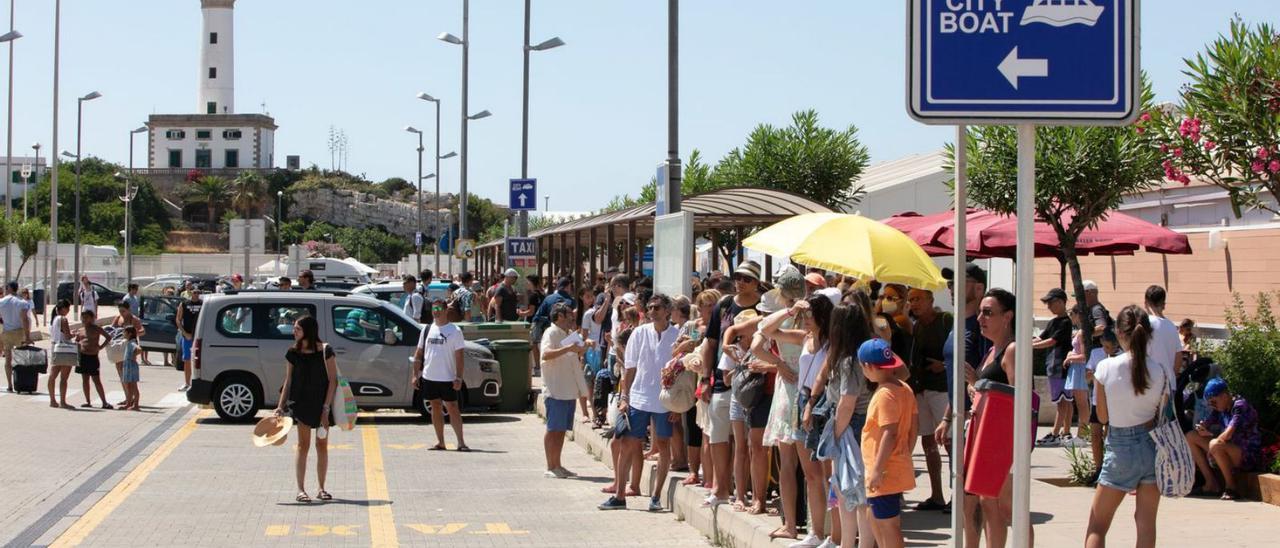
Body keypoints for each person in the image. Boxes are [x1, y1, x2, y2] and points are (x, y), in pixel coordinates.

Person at [1085, 305, 1167, 548]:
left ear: (1119, 333)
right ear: (1148, 334)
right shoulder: (1159, 370)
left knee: (1097, 525)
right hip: (1151, 446)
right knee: (1146, 524)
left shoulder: (1105, 367)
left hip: (1120, 446)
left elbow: (1101, 417)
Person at [599, 294, 679, 512]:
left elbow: (682, 372)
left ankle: (656, 496)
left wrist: (678, 406)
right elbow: (630, 368)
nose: (652, 311)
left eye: (657, 307)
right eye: (650, 307)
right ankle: (619, 495)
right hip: (639, 397)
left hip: (665, 400)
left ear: (667, 310)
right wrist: (625, 397)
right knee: (628, 444)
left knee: (663, 446)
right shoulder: (639, 333)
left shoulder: (677, 335)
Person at [970, 288, 1034, 548]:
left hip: (1006, 435)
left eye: (988, 313)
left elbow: (1019, 396)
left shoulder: (1012, 349)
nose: (980, 318)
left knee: (1008, 505)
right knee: (988, 501)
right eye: (980, 313)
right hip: (987, 433)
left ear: (1007, 317)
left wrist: (975, 382)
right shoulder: (992, 350)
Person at [698, 261, 762, 510]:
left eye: (746, 278)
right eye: (737, 276)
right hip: (722, 382)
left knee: (745, 442)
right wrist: (705, 379)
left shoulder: (763, 305)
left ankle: (742, 492)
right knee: (717, 436)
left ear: (756, 282)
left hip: (753, 383)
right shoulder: (724, 305)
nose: (740, 282)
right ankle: (720, 488)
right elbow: (710, 344)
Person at [823, 303, 876, 548]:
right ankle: (851, 543)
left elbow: (847, 401)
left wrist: (833, 435)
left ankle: (854, 544)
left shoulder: (848, 360)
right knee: (851, 491)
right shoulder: (861, 355)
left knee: (851, 491)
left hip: (851, 426)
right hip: (858, 424)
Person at [273, 315, 338, 503]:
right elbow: (289, 380)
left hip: (322, 403)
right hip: (300, 403)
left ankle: (321, 488)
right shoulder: (293, 352)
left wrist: (326, 409)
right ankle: (301, 490)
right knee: (303, 446)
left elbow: (333, 380)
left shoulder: (326, 350)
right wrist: (280, 406)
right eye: (294, 328)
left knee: (322, 445)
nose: (294, 331)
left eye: (297, 329)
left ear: (308, 331)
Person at [859, 338, 917, 548]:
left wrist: (877, 470)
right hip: (893, 465)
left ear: (869, 367)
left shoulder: (884, 394)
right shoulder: (904, 388)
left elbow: (889, 434)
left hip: (884, 471)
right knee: (877, 518)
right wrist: (905, 453)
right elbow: (914, 427)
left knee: (889, 525)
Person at [793, 295, 837, 548]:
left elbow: (824, 377)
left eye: (809, 314)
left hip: (821, 404)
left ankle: (834, 535)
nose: (805, 319)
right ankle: (816, 532)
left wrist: (812, 403)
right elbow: (766, 331)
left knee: (829, 475)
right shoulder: (804, 337)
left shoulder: (833, 344)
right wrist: (791, 311)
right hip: (802, 401)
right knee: (811, 475)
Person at [905, 286, 951, 511]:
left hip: (943, 389)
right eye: (911, 299)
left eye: (919, 299)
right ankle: (937, 495)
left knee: (950, 443)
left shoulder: (946, 320)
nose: (914, 303)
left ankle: (958, 497)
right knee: (927, 442)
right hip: (921, 389)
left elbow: (961, 350)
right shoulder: (915, 326)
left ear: (931, 300)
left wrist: (944, 365)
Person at [1186, 377, 1262, 500]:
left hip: (1247, 455)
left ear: (1224, 396)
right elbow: (1206, 423)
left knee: (1215, 444)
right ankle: (1211, 483)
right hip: (1229, 450)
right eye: (1210, 403)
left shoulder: (1239, 406)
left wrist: (1211, 446)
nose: (1212, 405)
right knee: (1191, 436)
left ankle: (1231, 487)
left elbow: (1228, 434)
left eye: (1214, 402)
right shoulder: (1220, 409)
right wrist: (1201, 427)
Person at [413, 297, 469, 451]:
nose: (435, 312)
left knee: (452, 407)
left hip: (448, 377)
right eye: (433, 309)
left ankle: (461, 442)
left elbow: (459, 357)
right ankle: (441, 441)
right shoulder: (426, 329)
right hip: (429, 376)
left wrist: (458, 377)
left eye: (438, 309)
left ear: (445, 311)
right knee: (435, 407)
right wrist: (415, 374)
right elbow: (419, 353)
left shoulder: (454, 331)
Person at [541, 303, 586, 478]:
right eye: (569, 315)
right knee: (553, 429)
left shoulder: (567, 334)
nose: (572, 318)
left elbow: (577, 351)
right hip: (555, 390)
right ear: (560, 316)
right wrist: (568, 348)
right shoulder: (550, 333)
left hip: (568, 390)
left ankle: (558, 465)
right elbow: (545, 354)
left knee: (561, 430)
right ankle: (550, 466)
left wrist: (585, 345)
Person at [1033, 288, 1075, 447]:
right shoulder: (1054, 322)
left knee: (1062, 401)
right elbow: (1041, 337)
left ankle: (1056, 433)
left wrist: (1029, 347)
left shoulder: (1065, 322)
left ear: (1061, 302)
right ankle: (1066, 431)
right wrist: (1028, 341)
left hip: (1059, 366)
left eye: (1051, 302)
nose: (1049, 306)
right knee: (1066, 400)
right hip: (1054, 365)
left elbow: (1051, 341)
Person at [1144, 285, 1182, 389]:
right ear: (1164, 304)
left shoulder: (1145, 324)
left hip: (1149, 384)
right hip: (1169, 384)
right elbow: (1179, 357)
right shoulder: (1172, 326)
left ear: (1145, 303)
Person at [74, 310, 112, 409]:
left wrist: (101, 347)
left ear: (92, 318)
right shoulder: (81, 330)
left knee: (96, 380)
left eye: (86, 317)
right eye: (83, 317)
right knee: (85, 380)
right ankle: (87, 401)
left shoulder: (97, 329)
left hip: (93, 357)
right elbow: (77, 341)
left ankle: (104, 402)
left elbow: (108, 337)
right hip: (83, 356)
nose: (84, 319)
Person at [1, 281, 35, 392]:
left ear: (9, 288)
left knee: (8, 360)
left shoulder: (1, 302)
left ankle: (10, 384)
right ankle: (21, 382)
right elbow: (24, 319)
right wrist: (28, 336)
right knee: (21, 359)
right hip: (20, 332)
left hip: (6, 332)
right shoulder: (22, 302)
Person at [111, 301, 146, 405]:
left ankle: (131, 399)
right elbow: (111, 330)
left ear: (128, 309)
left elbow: (143, 331)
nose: (122, 313)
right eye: (120, 311)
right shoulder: (118, 318)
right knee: (122, 375)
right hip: (119, 349)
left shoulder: (134, 319)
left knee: (129, 377)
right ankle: (127, 397)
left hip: (129, 350)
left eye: (123, 311)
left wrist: (132, 335)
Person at [47, 300, 75, 408]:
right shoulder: (63, 319)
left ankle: (52, 400)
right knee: (64, 378)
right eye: (68, 308)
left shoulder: (53, 319)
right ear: (63, 308)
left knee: (52, 376)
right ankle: (63, 402)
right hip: (64, 349)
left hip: (55, 347)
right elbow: (67, 336)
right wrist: (75, 334)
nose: (68, 311)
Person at [176, 290, 204, 392]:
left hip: (200, 336)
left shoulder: (203, 303)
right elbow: (178, 320)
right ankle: (187, 383)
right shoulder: (184, 304)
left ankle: (199, 384)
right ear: (190, 293)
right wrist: (184, 333)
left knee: (200, 360)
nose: (196, 294)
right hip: (187, 336)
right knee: (187, 360)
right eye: (194, 292)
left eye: (198, 292)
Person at [119, 326, 142, 411]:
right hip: (127, 365)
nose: (123, 334)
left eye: (125, 332)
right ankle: (128, 403)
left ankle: (136, 405)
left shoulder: (132, 342)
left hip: (131, 365)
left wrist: (133, 356)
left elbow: (139, 349)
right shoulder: (128, 342)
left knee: (133, 386)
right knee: (128, 385)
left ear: (130, 334)